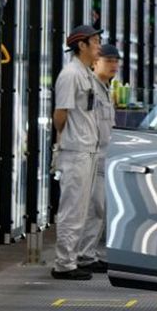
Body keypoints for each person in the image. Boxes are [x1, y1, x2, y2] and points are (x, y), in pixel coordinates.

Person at [51, 25, 103, 281]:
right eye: (95, 41)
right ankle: (64, 263)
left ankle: (74, 257)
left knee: (82, 208)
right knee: (72, 207)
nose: (99, 46)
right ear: (81, 45)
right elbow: (60, 114)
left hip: (87, 149)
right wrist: (68, 138)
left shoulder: (86, 73)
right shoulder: (71, 74)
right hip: (75, 150)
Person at [75, 43, 120, 274]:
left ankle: (88, 253)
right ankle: (83, 255)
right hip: (92, 156)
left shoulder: (104, 88)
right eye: (108, 60)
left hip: (104, 157)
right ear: (96, 62)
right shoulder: (90, 87)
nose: (114, 65)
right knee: (93, 208)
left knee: (99, 207)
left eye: (116, 61)